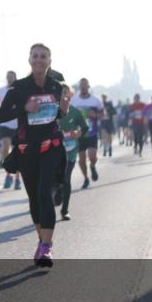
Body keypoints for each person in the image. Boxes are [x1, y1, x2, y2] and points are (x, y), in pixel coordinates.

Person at [0, 43, 68, 268]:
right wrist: (24, 108)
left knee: (44, 192)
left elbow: (59, 114)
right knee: (34, 198)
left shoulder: (57, 86)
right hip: (28, 150)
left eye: (43, 56)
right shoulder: (19, 88)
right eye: (35, 56)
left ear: (49, 61)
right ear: (29, 60)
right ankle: (42, 240)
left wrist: (64, 109)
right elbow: (1, 116)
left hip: (51, 146)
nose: (39, 60)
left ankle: (46, 248)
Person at [56, 84, 88, 221]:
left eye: (65, 92)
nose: (63, 95)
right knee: (57, 180)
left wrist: (78, 133)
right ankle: (58, 190)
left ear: (70, 95)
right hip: (55, 151)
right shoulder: (52, 112)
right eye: (60, 92)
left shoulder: (76, 112)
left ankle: (65, 210)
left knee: (66, 178)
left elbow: (85, 127)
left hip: (70, 151)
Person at [69, 78, 103, 189]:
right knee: (82, 159)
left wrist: (96, 115)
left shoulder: (95, 100)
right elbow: (69, 114)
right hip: (79, 134)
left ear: (88, 86)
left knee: (92, 157)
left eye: (85, 85)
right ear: (79, 87)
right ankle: (86, 178)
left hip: (92, 133)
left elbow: (102, 114)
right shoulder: (74, 100)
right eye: (81, 85)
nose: (83, 87)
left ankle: (92, 166)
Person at [0, 71, 22, 190]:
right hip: (6, 124)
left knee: (17, 151)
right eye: (8, 77)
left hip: (18, 124)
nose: (10, 79)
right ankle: (8, 175)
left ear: (15, 78)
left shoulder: (20, 89)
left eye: (12, 77)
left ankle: (17, 178)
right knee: (5, 149)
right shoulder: (1, 91)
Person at [100, 93, 116, 157]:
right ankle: (104, 149)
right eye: (102, 97)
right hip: (103, 122)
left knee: (109, 136)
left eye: (104, 97)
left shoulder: (109, 104)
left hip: (109, 122)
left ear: (106, 98)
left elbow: (114, 112)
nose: (103, 98)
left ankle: (110, 148)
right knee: (104, 136)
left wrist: (108, 112)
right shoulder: (100, 105)